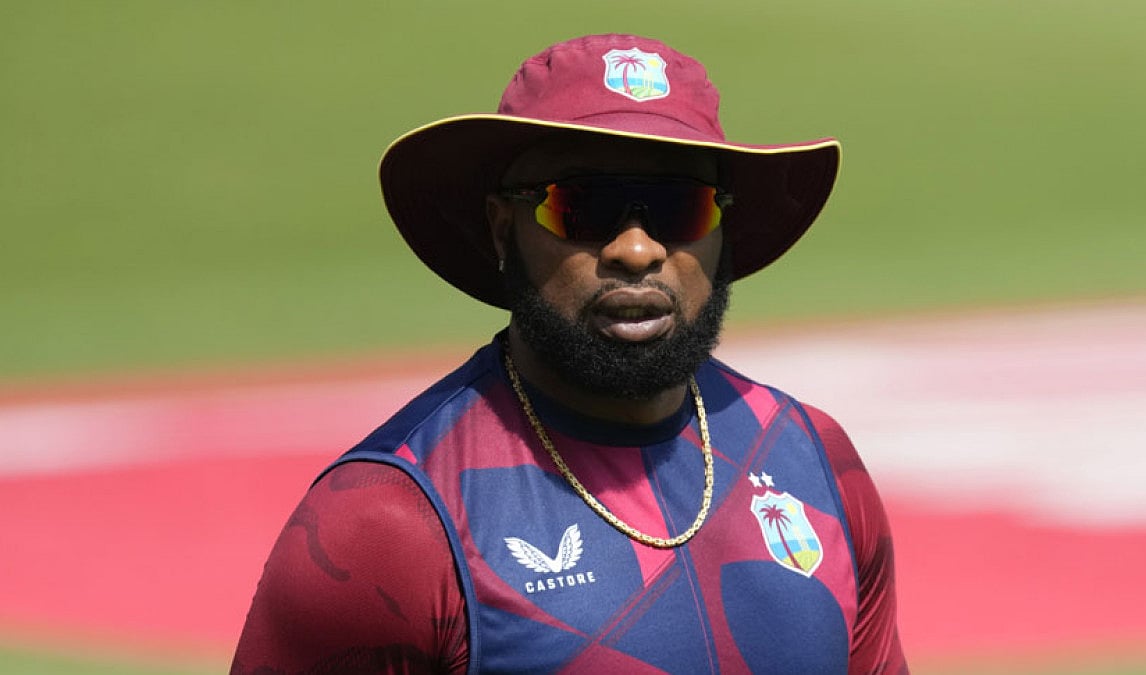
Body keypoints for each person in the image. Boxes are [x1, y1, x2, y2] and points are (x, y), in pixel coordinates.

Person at [233, 33, 906, 674]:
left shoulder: (817, 461)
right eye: (584, 206)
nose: (637, 250)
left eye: (682, 208)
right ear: (504, 230)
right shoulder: (387, 519)